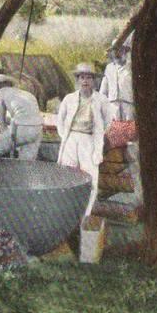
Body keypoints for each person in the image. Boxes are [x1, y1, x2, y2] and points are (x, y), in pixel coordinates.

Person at [56, 63, 115, 215]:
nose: (85, 81)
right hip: (70, 139)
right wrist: (65, 137)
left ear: (94, 81)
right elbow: (60, 120)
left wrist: (99, 136)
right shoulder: (69, 99)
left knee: (89, 177)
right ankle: (66, 210)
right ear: (77, 80)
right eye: (82, 77)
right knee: (67, 174)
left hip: (89, 140)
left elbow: (109, 120)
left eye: (89, 77)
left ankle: (86, 213)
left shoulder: (101, 100)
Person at [0, 74, 43, 160]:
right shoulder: (27, 94)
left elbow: (0, 118)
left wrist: (4, 134)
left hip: (22, 128)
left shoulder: (2, 91)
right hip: (38, 129)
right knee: (26, 163)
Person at [100, 31, 135, 121]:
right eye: (115, 50)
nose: (118, 53)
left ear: (125, 51)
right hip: (113, 104)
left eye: (120, 50)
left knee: (128, 128)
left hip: (128, 104)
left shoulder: (131, 68)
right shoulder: (109, 68)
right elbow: (103, 90)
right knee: (114, 128)